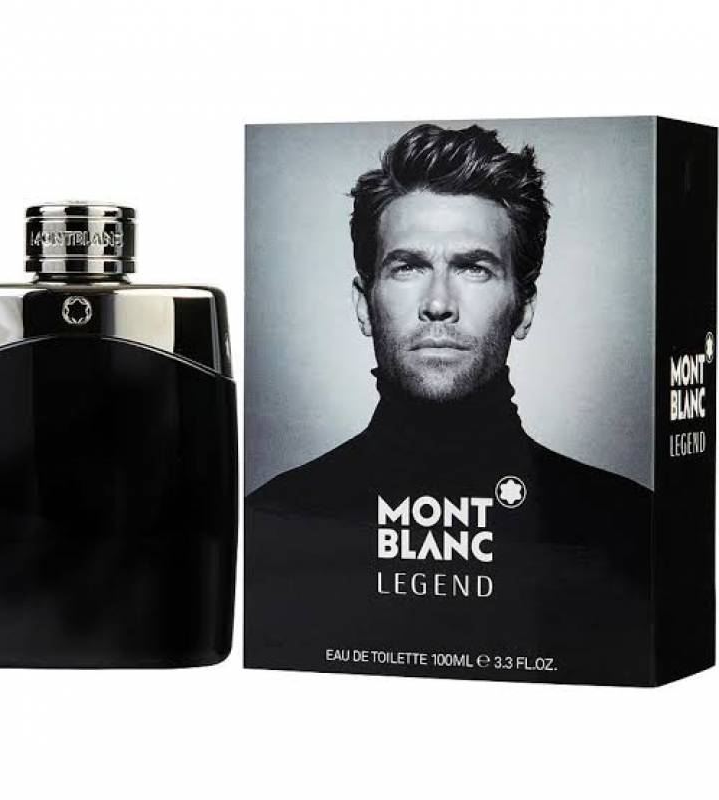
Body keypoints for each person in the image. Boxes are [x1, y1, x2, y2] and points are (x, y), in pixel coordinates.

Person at [245, 124, 652, 684]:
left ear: (524, 307)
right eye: (408, 266)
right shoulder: (269, 527)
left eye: (473, 267)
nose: (439, 304)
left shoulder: (631, 531)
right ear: (364, 305)